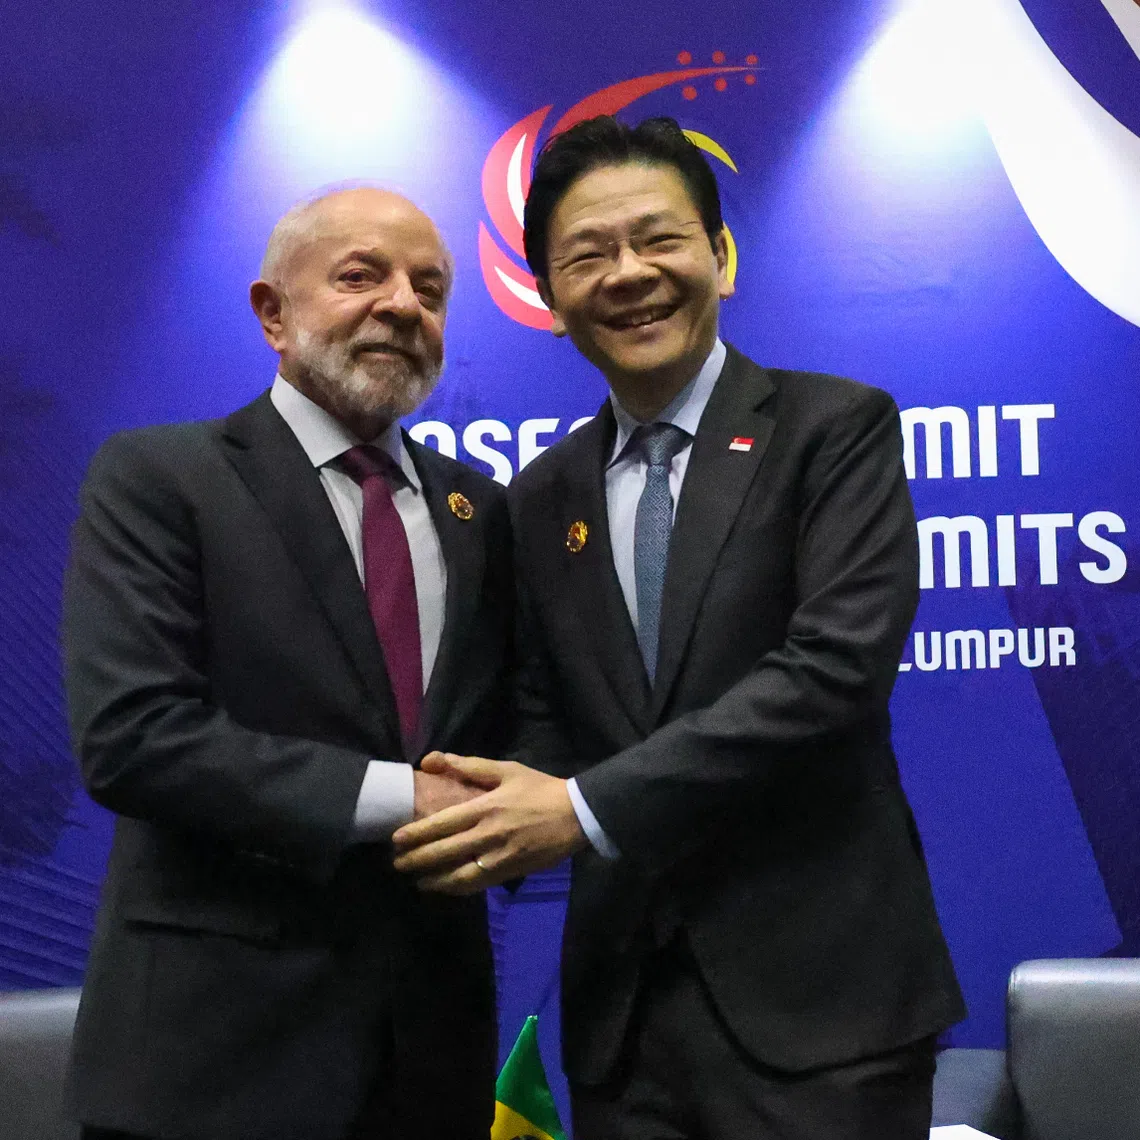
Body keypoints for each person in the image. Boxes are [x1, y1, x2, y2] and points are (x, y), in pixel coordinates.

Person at [392, 118, 966, 1140]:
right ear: (549, 300)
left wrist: (583, 810)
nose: (629, 274)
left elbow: (832, 676)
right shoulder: (538, 498)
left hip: (826, 1013)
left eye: (658, 240)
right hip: (627, 1030)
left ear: (721, 256)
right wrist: (472, 803)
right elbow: (541, 715)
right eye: (587, 255)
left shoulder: (833, 431)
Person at [62, 187, 512, 1140]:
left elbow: (508, 727)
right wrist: (408, 799)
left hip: (431, 1059)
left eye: (430, 289)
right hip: (210, 1064)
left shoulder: (483, 513)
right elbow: (134, 738)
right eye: (361, 276)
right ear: (273, 312)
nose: (402, 304)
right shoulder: (159, 479)